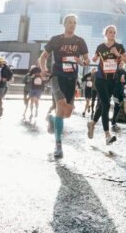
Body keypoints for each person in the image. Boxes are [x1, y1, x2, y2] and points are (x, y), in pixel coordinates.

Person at [38, 14, 90, 158]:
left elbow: (87, 60)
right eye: (69, 22)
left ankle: (52, 119)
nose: (72, 25)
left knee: (67, 113)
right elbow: (43, 57)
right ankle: (58, 145)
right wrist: (43, 69)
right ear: (64, 24)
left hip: (72, 79)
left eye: (74, 23)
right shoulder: (55, 40)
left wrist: (81, 61)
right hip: (57, 77)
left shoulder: (80, 41)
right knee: (60, 106)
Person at [88, 25, 126, 145]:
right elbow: (94, 59)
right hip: (100, 79)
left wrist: (118, 54)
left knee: (102, 105)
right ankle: (107, 135)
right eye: (110, 32)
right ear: (105, 34)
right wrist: (94, 58)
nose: (112, 34)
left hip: (113, 80)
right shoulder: (100, 47)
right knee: (106, 104)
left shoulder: (119, 47)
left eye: (114, 32)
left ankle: (92, 124)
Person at [111, 61, 126, 131]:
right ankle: (113, 122)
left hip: (121, 93)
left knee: (118, 107)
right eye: (120, 64)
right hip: (115, 91)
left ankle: (114, 121)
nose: (121, 65)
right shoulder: (114, 72)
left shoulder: (125, 73)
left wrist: (124, 81)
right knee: (116, 106)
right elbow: (111, 81)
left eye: (122, 64)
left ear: (123, 65)